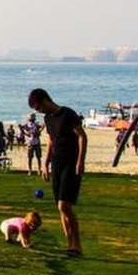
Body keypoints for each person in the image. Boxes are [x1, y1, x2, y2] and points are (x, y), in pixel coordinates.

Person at [30, 88, 87, 258]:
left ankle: (77, 245)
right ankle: (70, 245)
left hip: (71, 163)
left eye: (38, 107)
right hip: (57, 164)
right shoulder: (48, 119)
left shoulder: (68, 114)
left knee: (65, 205)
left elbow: (82, 137)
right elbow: (51, 141)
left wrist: (80, 161)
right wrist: (45, 164)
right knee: (60, 208)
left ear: (45, 100)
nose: (39, 111)